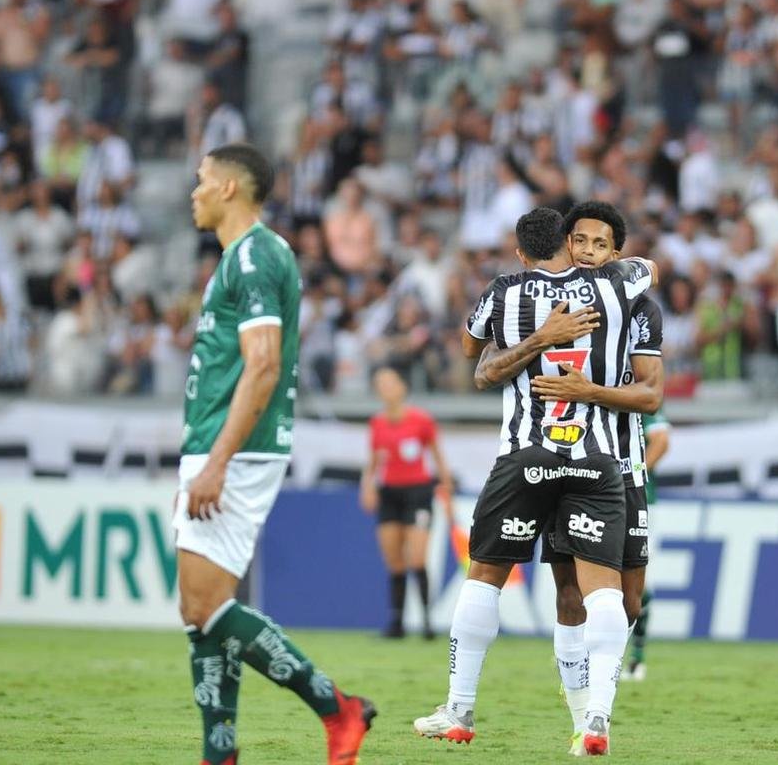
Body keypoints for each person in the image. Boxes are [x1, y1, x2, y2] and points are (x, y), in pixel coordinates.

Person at [413, 207, 657, 756]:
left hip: (527, 456)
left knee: (484, 578)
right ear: (570, 244)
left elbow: (472, 352)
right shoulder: (616, 286)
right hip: (598, 459)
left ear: (521, 253)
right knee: (603, 592)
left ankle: (459, 708)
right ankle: (597, 719)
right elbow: (649, 269)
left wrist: (535, 338)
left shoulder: (504, 291)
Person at [172, 143, 375, 765]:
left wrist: (216, 461)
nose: (194, 191)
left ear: (229, 187)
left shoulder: (254, 255)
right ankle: (220, 752)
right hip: (222, 443)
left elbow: (261, 366)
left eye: (202, 179)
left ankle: (337, 708)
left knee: (203, 605)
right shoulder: (248, 255)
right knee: (204, 611)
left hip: (234, 447)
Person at [361, 367, 455, 640]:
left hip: (418, 492)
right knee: (394, 560)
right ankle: (397, 623)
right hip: (389, 493)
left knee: (417, 557)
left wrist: (446, 492)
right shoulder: (377, 423)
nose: (386, 389)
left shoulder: (421, 420)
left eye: (390, 383)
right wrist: (368, 486)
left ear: (402, 387)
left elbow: (438, 457)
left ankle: (426, 620)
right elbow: (373, 460)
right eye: (380, 384)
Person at [622, 410, 670, 681]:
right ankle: (586, 653)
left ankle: (637, 657)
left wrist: (635, 473)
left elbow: (661, 440)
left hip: (638, 500)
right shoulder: (593, 395)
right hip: (595, 496)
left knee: (635, 578)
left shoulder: (640, 398)